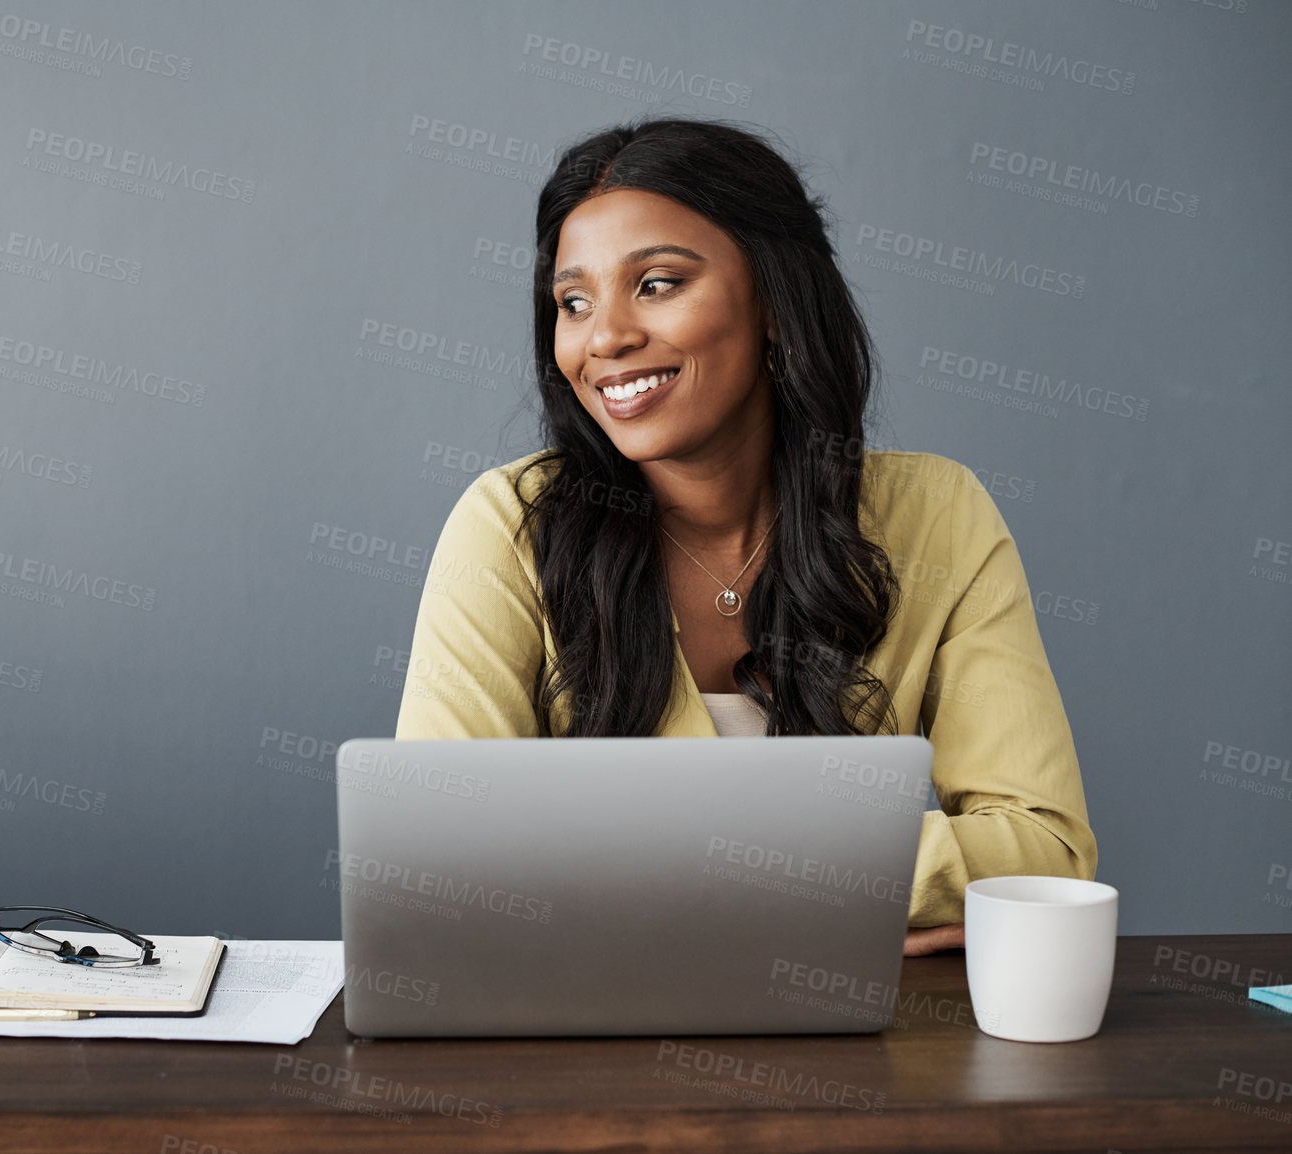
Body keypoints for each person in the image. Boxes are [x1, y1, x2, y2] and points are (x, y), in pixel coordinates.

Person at [393, 118, 1096, 957]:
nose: (604, 337)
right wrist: (835, 882)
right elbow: (439, 858)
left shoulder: (937, 515)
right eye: (572, 302)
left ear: (772, 299)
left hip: (855, 1040)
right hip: (589, 1042)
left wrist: (642, 873)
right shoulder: (509, 525)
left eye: (655, 283)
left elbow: (1042, 850)